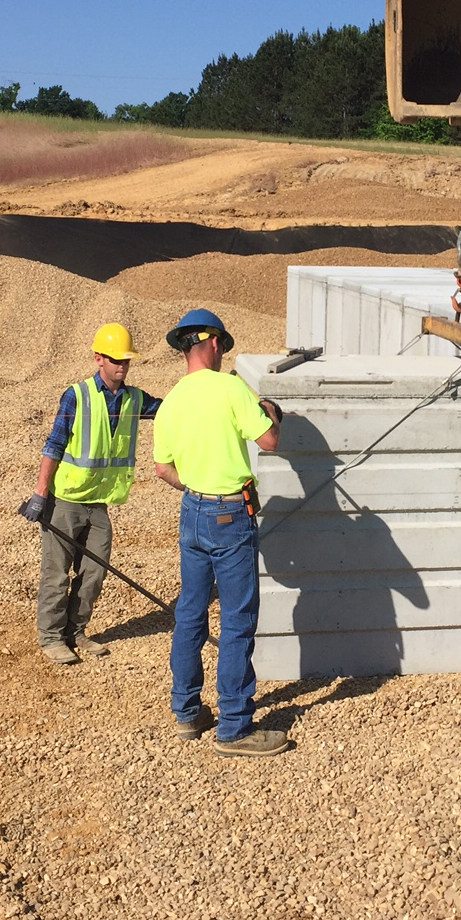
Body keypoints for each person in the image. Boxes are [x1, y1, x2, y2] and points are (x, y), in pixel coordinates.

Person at [152, 308, 287, 756]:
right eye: (223, 346)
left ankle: (188, 713)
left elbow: (162, 468)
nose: (223, 352)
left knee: (190, 613)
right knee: (237, 619)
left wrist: (195, 486)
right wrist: (270, 413)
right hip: (230, 516)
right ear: (212, 343)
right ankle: (234, 726)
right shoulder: (231, 388)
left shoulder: (171, 400)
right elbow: (269, 441)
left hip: (192, 511)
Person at [19, 324, 161, 666]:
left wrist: (208, 390)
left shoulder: (134, 399)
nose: (122, 367)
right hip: (65, 500)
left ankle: (75, 631)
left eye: (126, 361)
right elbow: (54, 444)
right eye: (115, 360)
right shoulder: (77, 395)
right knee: (56, 572)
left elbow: (169, 410)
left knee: (94, 572)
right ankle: (52, 637)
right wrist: (40, 495)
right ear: (99, 359)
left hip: (99, 502)